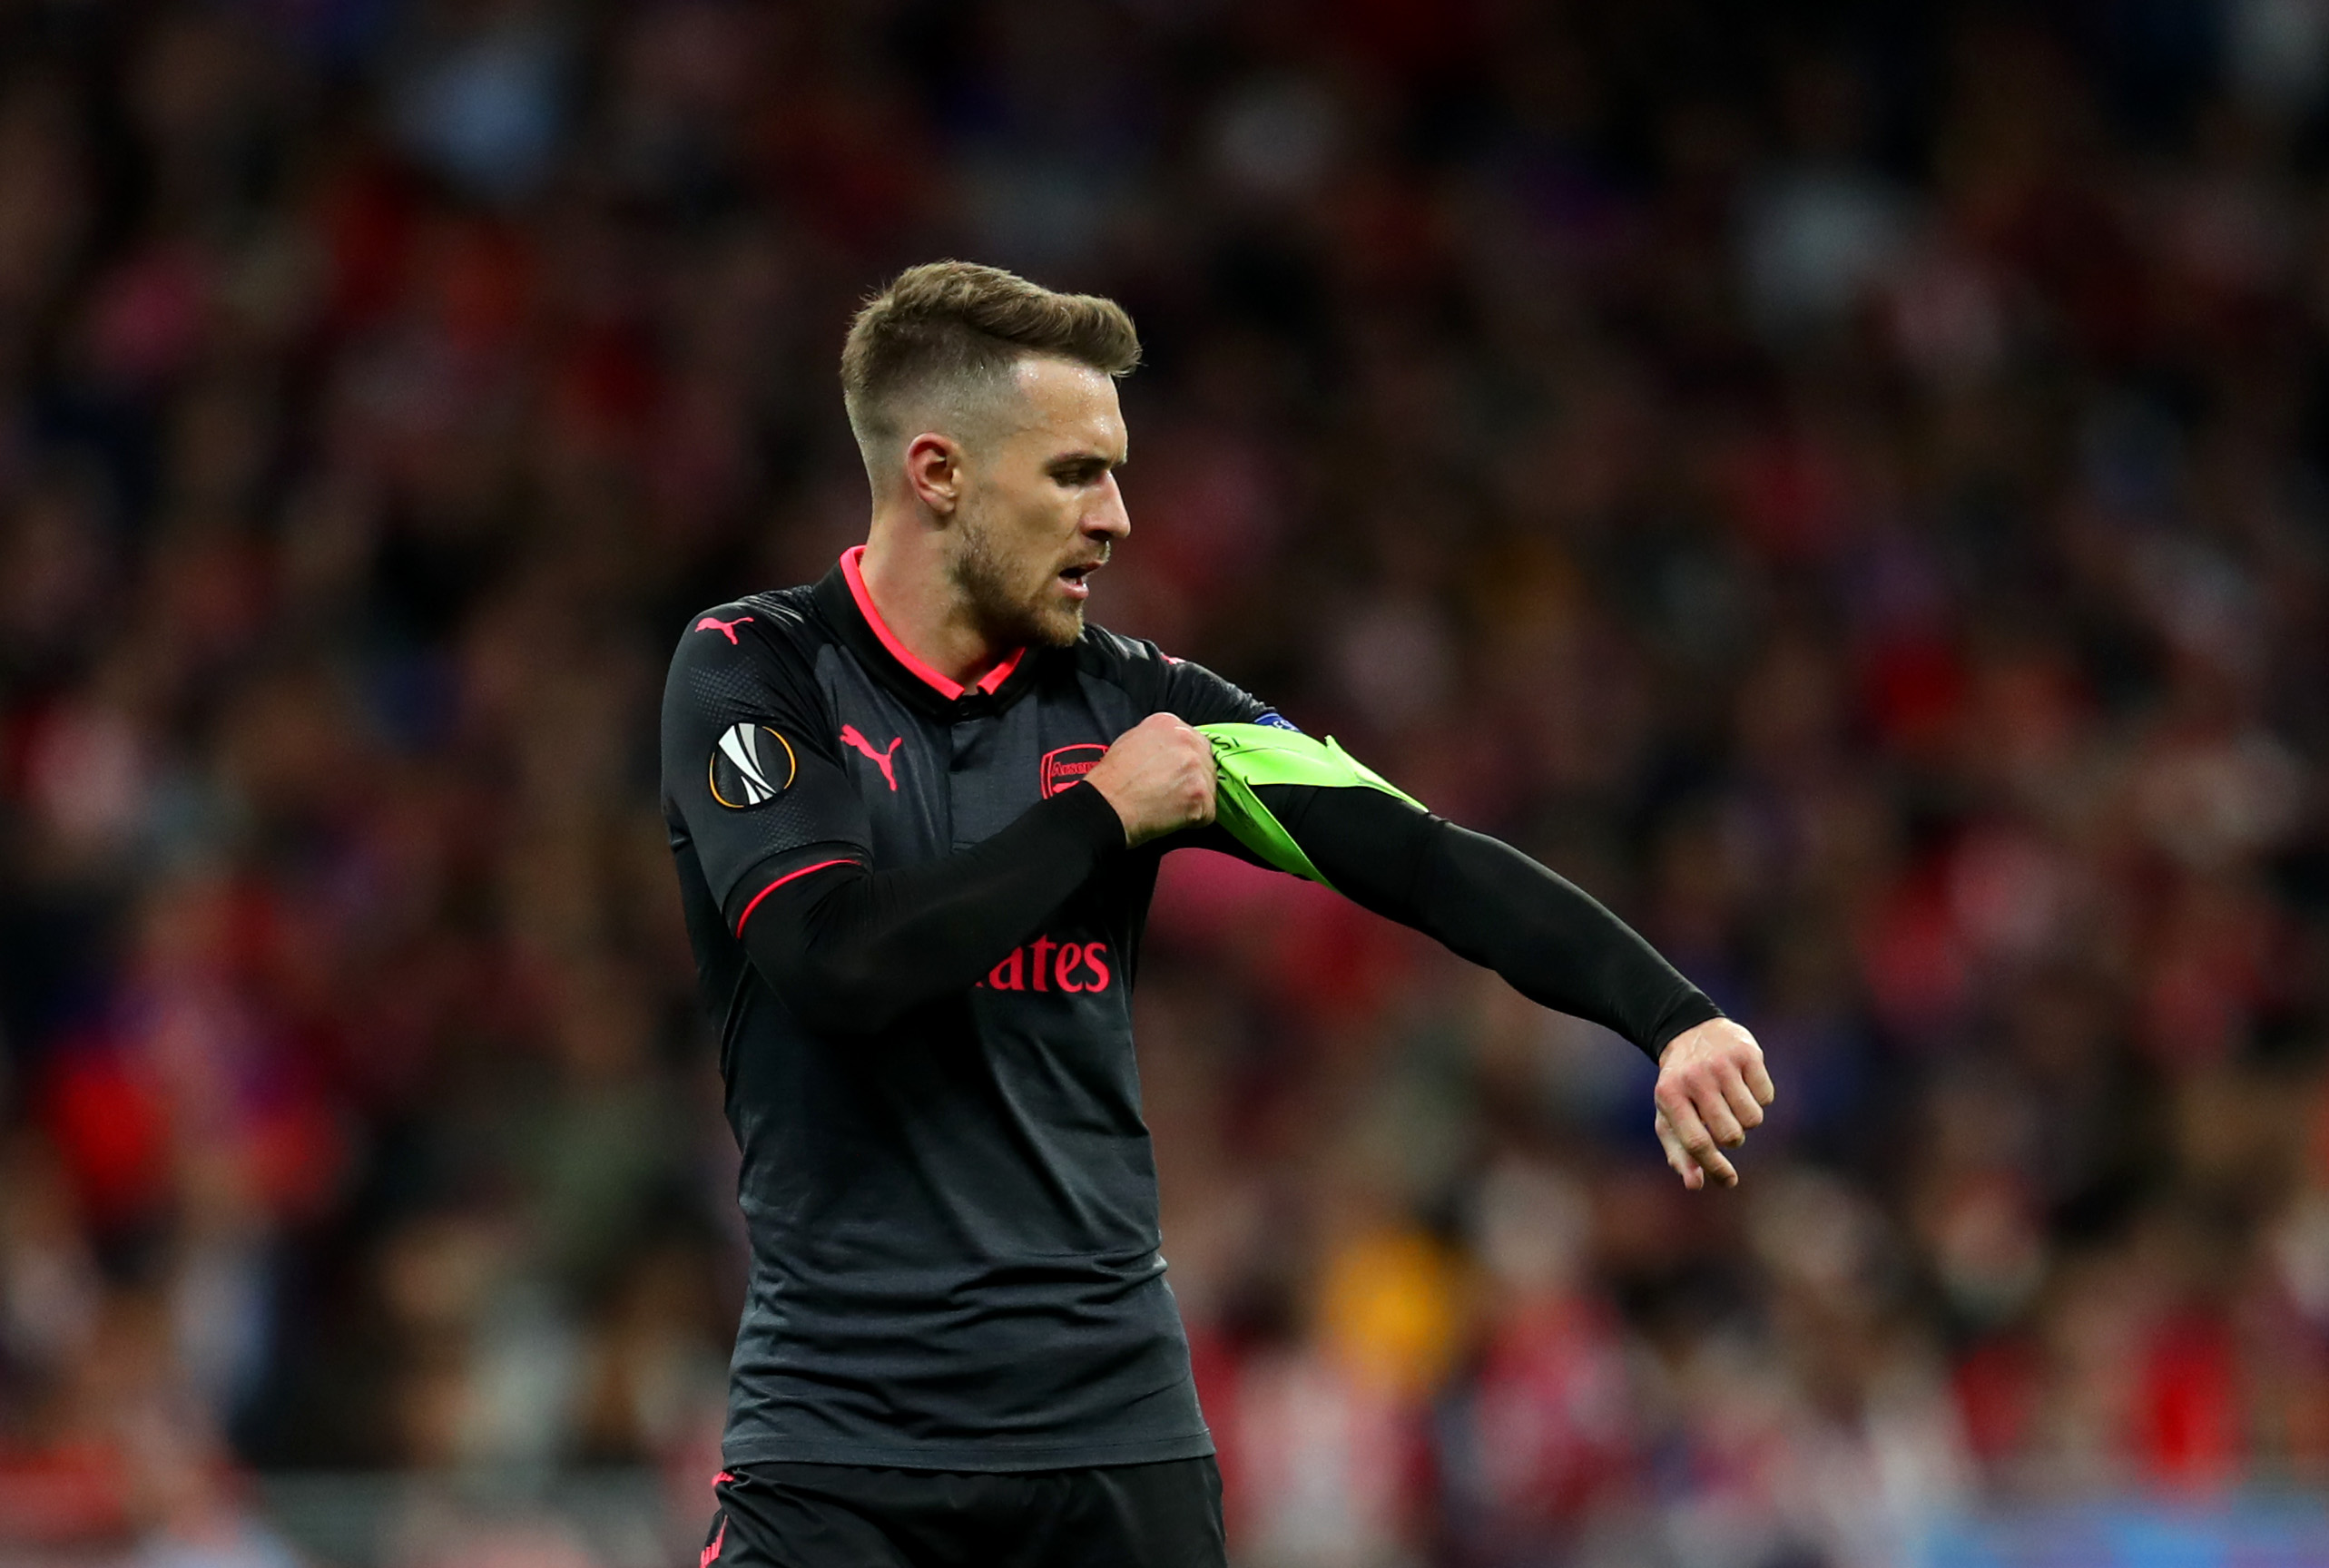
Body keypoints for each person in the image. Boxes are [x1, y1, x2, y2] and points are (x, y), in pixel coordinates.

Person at [660, 260, 1775, 1567]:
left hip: (1113, 1444)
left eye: (1116, 471)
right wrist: (1098, 820)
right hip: (841, 1450)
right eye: (1075, 473)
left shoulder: (1146, 705)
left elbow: (1415, 858)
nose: (1118, 518)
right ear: (938, 473)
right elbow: (833, 963)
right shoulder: (755, 670)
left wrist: (1672, 1016)